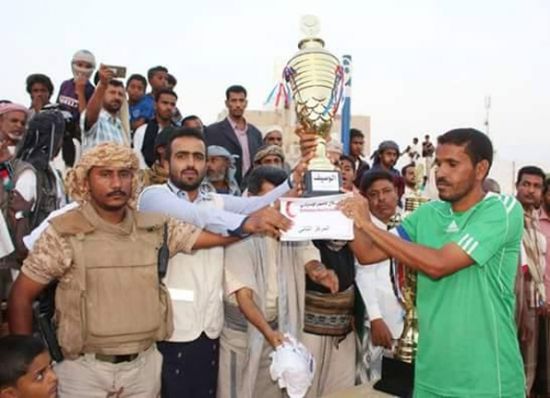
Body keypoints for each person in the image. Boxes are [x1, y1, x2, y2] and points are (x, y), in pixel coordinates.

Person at [7, 142, 239, 397]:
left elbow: (209, 237)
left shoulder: (155, 227)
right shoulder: (64, 231)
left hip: (142, 369)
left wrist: (254, 225)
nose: (117, 183)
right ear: (86, 181)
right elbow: (22, 295)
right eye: (105, 174)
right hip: (84, 371)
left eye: (124, 174)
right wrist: (27, 366)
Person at [338, 128, 525, 396]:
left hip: (486, 379)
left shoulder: (502, 209)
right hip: (430, 378)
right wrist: (345, 207)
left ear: (481, 168)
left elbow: (438, 264)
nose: (440, 173)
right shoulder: (428, 213)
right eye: (438, 163)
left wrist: (367, 225)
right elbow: (367, 254)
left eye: (453, 164)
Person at [137, 129, 294, 397]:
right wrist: (248, 225)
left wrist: (294, 180)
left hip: (210, 329)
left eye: (198, 157)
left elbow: (258, 203)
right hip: (170, 330)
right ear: (166, 162)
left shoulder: (214, 199)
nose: (190, 163)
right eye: (182, 156)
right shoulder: (153, 196)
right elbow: (197, 216)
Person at [219, 166, 335, 398]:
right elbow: (244, 298)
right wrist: (270, 336)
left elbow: (307, 254)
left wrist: (319, 271)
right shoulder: (238, 236)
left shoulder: (288, 227)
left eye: (282, 203)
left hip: (276, 332)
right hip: (242, 337)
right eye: (271, 202)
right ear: (251, 200)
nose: (278, 210)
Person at [355, 171, 404, 383]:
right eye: (373, 194)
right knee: (374, 386)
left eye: (387, 191)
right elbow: (363, 273)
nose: (381, 199)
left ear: (397, 193)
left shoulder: (409, 224)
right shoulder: (363, 229)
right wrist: (375, 318)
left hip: (406, 324)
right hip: (379, 324)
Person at [514, 166, 547, 396]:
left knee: (530, 372)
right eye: (526, 184)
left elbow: (536, 269)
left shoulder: (535, 220)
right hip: (517, 307)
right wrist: (523, 311)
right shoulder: (510, 216)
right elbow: (519, 269)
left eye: (536, 186)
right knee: (517, 372)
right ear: (517, 186)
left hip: (536, 306)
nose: (530, 190)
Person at [204, 85, 263, 186]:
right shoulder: (212, 131)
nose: (238, 105)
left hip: (251, 189)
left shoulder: (255, 133)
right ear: (227, 103)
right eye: (234, 101)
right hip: (224, 189)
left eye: (241, 100)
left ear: (246, 103)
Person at [80, 66, 128, 152]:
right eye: (112, 92)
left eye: (120, 94)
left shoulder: (119, 125)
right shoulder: (98, 119)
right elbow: (90, 117)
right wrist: (102, 85)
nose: (117, 97)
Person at [132, 88, 177, 169]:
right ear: (155, 105)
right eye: (165, 103)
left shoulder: (179, 133)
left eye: (172, 104)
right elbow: (138, 158)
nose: (169, 107)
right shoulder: (142, 131)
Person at [56, 49, 96, 122]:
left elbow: (86, 119)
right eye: (80, 65)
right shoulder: (65, 85)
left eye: (87, 66)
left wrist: (81, 92)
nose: (83, 69)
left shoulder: (92, 91)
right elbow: (57, 106)